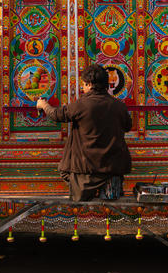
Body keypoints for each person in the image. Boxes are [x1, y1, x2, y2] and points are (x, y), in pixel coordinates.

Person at [36, 64, 132, 201]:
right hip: (113, 167)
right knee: (108, 174)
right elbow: (128, 126)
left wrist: (43, 105)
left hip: (86, 168)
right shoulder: (119, 106)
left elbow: (58, 115)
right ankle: (109, 186)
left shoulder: (82, 104)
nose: (83, 88)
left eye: (84, 85)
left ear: (89, 84)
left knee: (65, 170)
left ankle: (85, 190)